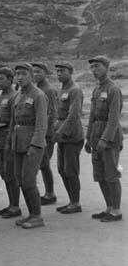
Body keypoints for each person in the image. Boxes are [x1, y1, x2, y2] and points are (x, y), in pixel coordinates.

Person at [8, 63, 47, 229]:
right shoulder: (18, 96)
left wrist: (35, 145)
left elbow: (41, 123)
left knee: (29, 180)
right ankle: (30, 213)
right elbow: (13, 122)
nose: (20, 77)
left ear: (31, 75)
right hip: (18, 143)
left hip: (32, 145)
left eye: (23, 74)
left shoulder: (38, 95)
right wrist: (10, 141)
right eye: (17, 74)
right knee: (20, 179)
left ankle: (37, 216)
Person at [85, 56, 123, 222]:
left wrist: (105, 140)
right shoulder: (96, 89)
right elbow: (92, 116)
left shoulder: (114, 89)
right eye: (92, 67)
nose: (94, 70)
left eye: (97, 66)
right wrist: (88, 138)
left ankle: (116, 210)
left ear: (106, 67)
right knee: (100, 175)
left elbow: (114, 119)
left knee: (111, 175)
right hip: (96, 136)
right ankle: (108, 207)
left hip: (110, 139)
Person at [53, 62, 84, 214]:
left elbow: (74, 115)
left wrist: (60, 132)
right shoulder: (62, 90)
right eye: (57, 71)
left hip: (71, 136)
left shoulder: (75, 90)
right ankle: (71, 200)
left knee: (71, 170)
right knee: (62, 169)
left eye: (62, 71)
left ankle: (75, 202)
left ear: (70, 72)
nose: (59, 74)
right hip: (62, 137)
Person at [0, 67, 21, 219]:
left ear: (10, 80)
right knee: (4, 174)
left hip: (9, 141)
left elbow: (12, 122)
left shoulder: (13, 97)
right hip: (0, 140)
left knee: (11, 174)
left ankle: (15, 206)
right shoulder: (2, 96)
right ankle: (11, 204)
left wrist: (9, 142)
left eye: (1, 79)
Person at [32, 63, 58, 205]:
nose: (36, 74)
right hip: (40, 132)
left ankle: (50, 193)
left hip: (46, 134)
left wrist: (47, 134)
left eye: (38, 72)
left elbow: (52, 113)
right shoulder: (37, 89)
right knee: (42, 164)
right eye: (33, 72)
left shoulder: (49, 90)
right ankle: (48, 193)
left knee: (44, 164)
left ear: (45, 73)